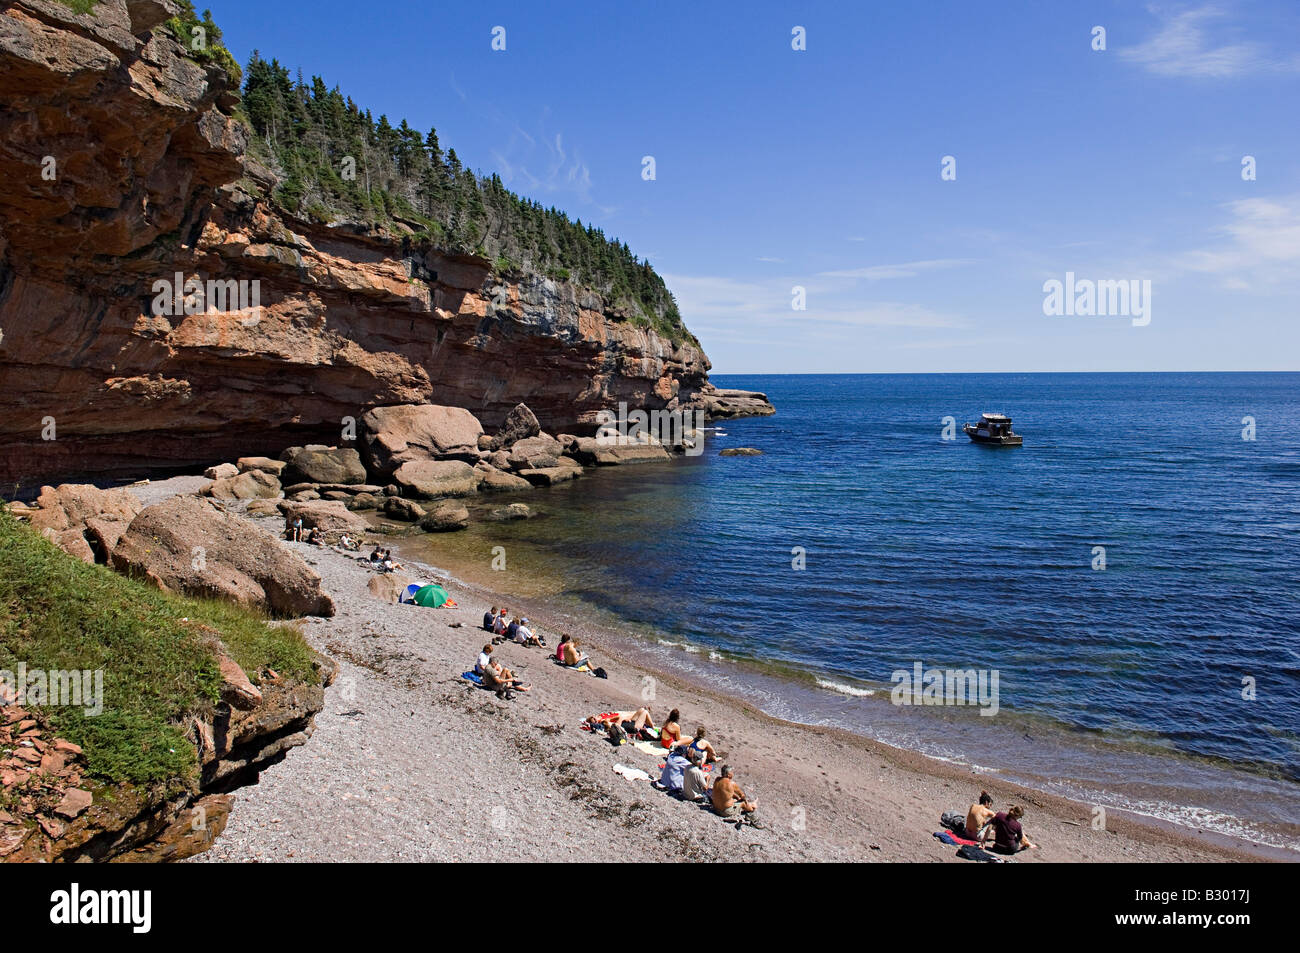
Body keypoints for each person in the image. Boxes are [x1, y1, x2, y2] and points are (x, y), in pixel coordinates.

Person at [584, 708, 655, 737]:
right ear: (596, 721)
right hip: (633, 727)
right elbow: (617, 725)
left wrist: (623, 720)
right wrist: (622, 719)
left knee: (642, 710)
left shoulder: (604, 721)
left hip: (629, 724)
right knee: (645, 712)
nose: (596, 716)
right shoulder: (605, 722)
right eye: (595, 717)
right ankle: (653, 727)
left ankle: (650, 724)